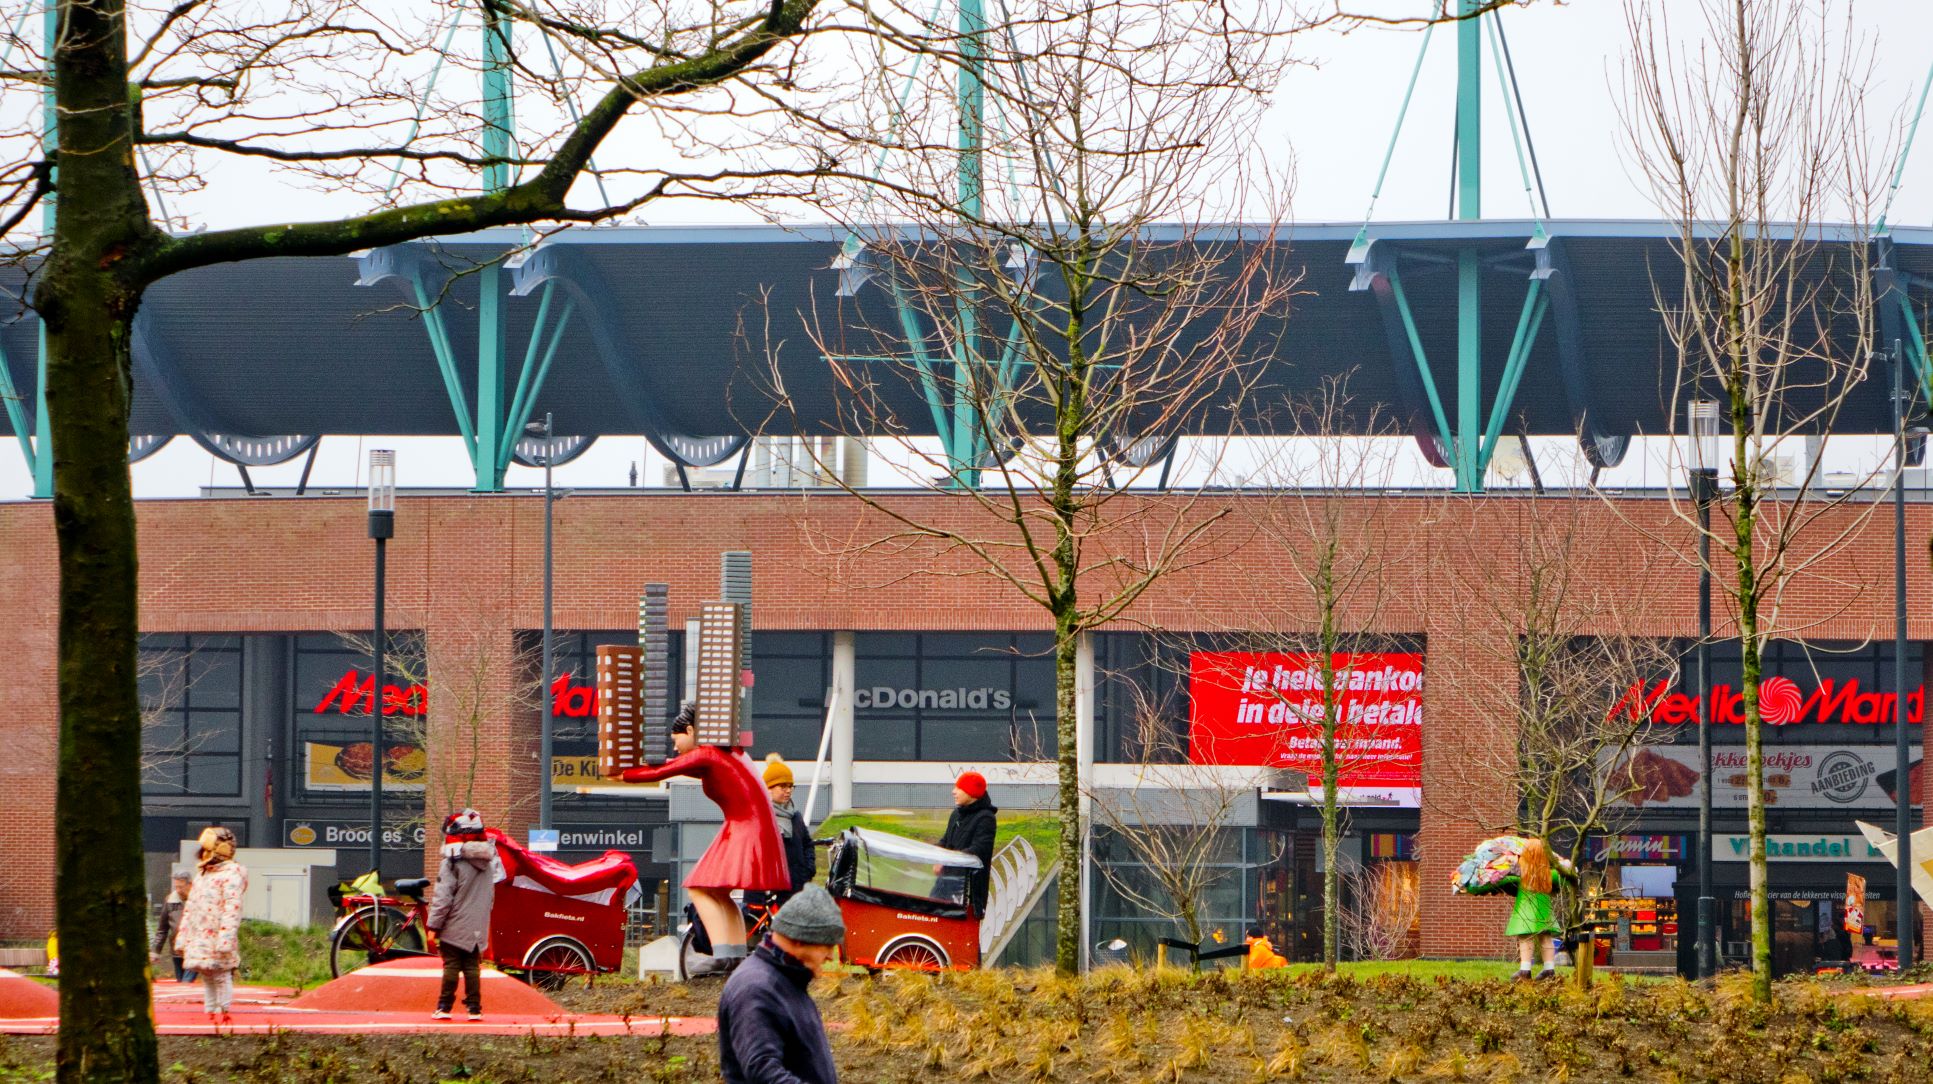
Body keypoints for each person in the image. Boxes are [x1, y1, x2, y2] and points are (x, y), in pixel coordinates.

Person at [613, 705, 789, 963]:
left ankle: (721, 954)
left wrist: (622, 775)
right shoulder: (729, 754)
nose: (675, 748)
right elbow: (675, 765)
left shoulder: (707, 754)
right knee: (717, 893)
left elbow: (662, 771)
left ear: (691, 730)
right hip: (751, 824)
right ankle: (734, 953)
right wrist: (633, 771)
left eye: (676, 741)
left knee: (698, 888)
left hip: (744, 825)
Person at [717, 883, 845, 1084]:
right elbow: (763, 1071)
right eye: (827, 945)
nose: (830, 956)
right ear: (799, 939)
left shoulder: (787, 981)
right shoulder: (755, 989)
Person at [427, 808, 501, 1021]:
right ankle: (474, 1008)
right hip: (478, 924)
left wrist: (434, 926)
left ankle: (444, 1006)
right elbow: (491, 896)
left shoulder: (452, 862)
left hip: (454, 924)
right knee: (471, 967)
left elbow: (443, 897)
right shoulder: (488, 862)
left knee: (451, 965)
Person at [177, 826, 247, 1022]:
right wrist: (183, 937)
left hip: (217, 935)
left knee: (221, 975)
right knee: (207, 976)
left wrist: (225, 939)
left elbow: (232, 909)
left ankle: (223, 1011)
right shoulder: (203, 875)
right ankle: (210, 1013)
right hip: (201, 935)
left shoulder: (231, 875)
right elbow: (190, 908)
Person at [1506, 837, 1573, 981]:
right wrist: (1564, 865)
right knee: (1546, 938)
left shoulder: (1521, 873)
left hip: (1525, 910)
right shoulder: (1549, 874)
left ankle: (1525, 970)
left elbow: (1504, 879)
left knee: (1525, 939)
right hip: (1544, 912)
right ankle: (1549, 969)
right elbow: (1566, 876)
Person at [936, 770, 998, 916]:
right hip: (944, 885)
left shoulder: (986, 819)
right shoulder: (956, 814)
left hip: (966, 892)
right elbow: (945, 840)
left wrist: (946, 860)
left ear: (971, 793)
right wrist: (934, 854)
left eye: (959, 788)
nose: (953, 792)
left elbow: (978, 850)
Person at [764, 754, 815, 903]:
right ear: (769, 788)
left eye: (790, 786)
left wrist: (808, 869)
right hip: (769, 891)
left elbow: (807, 844)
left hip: (796, 887)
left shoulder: (796, 817)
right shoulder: (762, 816)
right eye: (782, 786)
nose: (788, 790)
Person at [151, 871, 195, 982]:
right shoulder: (170, 900)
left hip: (194, 949)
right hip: (177, 949)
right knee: (181, 982)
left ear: (190, 884)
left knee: (186, 982)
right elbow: (162, 928)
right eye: (176, 887)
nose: (178, 890)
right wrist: (155, 950)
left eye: (181, 887)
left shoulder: (199, 899)